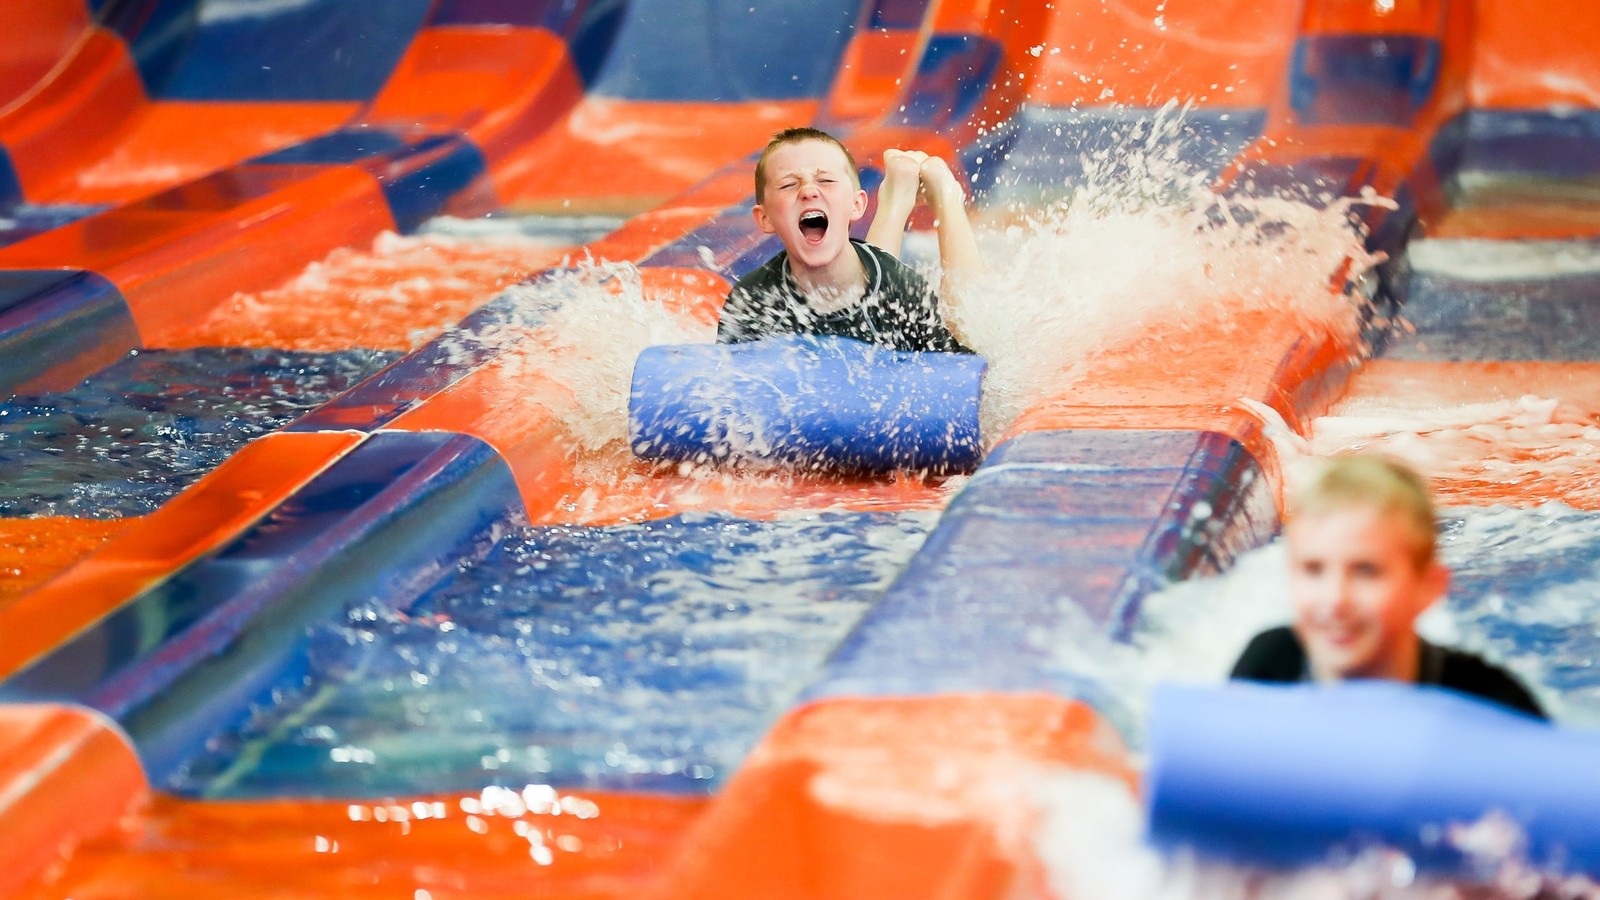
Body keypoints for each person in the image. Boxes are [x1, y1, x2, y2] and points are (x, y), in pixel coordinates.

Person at [1231, 455, 1546, 719]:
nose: (1335, 599)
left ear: (1428, 587)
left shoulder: (1489, 708)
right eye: (1313, 570)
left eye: (1366, 571)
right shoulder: (1268, 669)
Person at [716, 127, 981, 353]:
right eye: (788, 185)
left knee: (968, 331)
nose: (808, 190)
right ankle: (896, 194)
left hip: (886, 285)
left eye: (826, 180)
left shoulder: (903, 289)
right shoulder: (753, 300)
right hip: (872, 280)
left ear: (857, 205)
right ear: (765, 219)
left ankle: (946, 197)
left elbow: (960, 371)